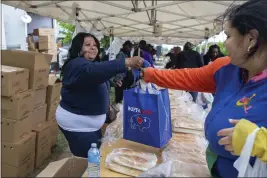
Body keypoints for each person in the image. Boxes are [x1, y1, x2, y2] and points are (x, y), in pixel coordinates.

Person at [140, 0, 267, 177]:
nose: (225, 44)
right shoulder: (226, 68)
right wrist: (148, 74)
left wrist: (260, 143)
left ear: (251, 39)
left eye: (228, 36)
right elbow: (187, 77)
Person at [56, 32, 144, 158]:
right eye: (87, 45)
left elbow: (94, 77)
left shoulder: (88, 64)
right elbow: (92, 71)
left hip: (89, 124)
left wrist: (111, 81)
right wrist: (127, 62)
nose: (93, 47)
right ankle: (88, 172)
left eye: (95, 45)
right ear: (78, 48)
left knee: (95, 155)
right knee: (90, 161)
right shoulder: (75, 64)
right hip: (79, 125)